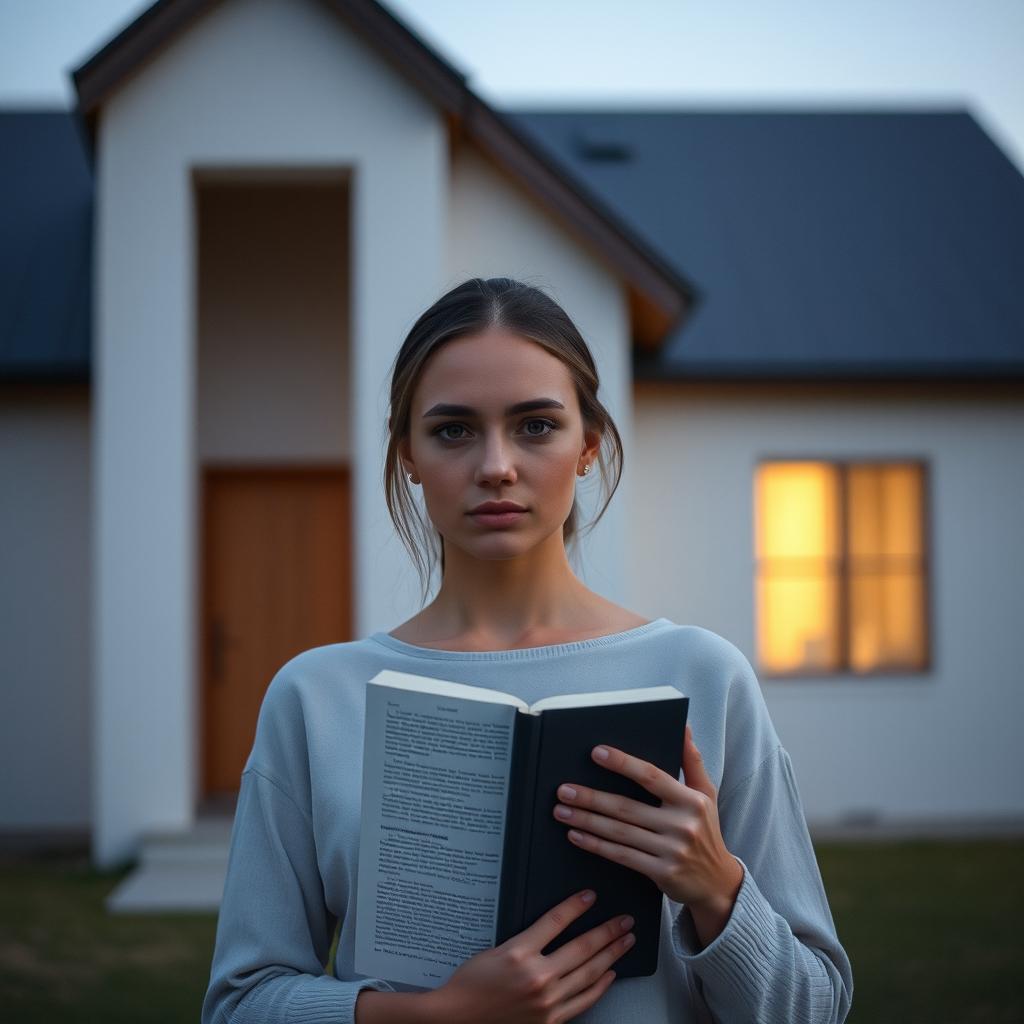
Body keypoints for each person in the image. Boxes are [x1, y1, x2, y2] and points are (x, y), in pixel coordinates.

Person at [201, 277, 854, 1024]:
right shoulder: (317, 696)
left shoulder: (703, 677)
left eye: (536, 425)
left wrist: (716, 888)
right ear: (407, 453)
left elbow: (815, 1010)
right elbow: (239, 1005)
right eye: (453, 430)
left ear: (589, 445)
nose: (496, 466)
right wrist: (437, 1017)